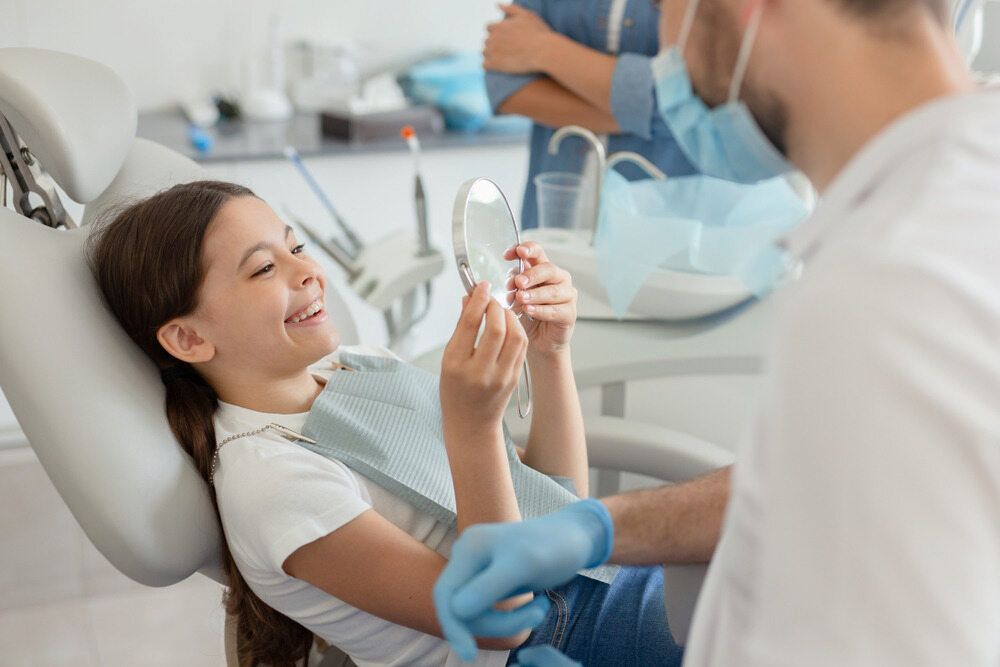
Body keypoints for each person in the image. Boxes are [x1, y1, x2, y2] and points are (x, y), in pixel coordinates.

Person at [435, 0, 1000, 664]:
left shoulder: (878, 291)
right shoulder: (949, 198)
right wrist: (600, 526)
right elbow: (818, 479)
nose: (661, 53)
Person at [84, 180, 683, 667]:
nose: (307, 272)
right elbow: (498, 621)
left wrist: (549, 354)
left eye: (295, 248)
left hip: (598, 583)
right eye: (263, 270)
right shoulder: (274, 485)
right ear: (189, 337)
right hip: (551, 640)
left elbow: (552, 502)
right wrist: (471, 430)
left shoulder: (362, 368)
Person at [484, 0, 697, 228]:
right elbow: (506, 84)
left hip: (667, 226)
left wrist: (542, 48)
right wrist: (644, 110)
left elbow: (690, 99)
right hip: (554, 223)